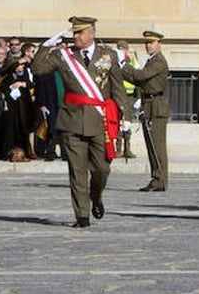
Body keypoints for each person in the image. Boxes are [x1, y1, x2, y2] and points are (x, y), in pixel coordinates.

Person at [31, 15, 128, 228]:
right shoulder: (63, 56)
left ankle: (96, 195)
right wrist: (45, 46)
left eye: (79, 32)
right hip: (71, 120)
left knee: (102, 168)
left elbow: (118, 88)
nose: (75, 36)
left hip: (100, 122)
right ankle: (82, 215)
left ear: (91, 34)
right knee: (77, 170)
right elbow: (37, 70)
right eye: (74, 32)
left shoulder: (108, 55)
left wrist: (125, 116)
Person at [121, 30, 170, 191]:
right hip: (150, 104)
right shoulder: (152, 60)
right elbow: (140, 80)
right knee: (151, 145)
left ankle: (160, 180)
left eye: (151, 42)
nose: (148, 45)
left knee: (157, 146)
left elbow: (141, 76)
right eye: (147, 43)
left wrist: (124, 66)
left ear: (158, 44)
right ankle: (156, 178)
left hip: (156, 106)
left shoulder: (158, 61)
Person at [115, 40, 137, 158]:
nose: (121, 51)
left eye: (123, 49)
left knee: (127, 123)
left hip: (129, 97)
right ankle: (118, 148)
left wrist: (137, 97)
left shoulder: (131, 60)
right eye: (119, 49)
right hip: (118, 95)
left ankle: (127, 148)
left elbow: (138, 77)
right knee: (119, 122)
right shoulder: (114, 61)